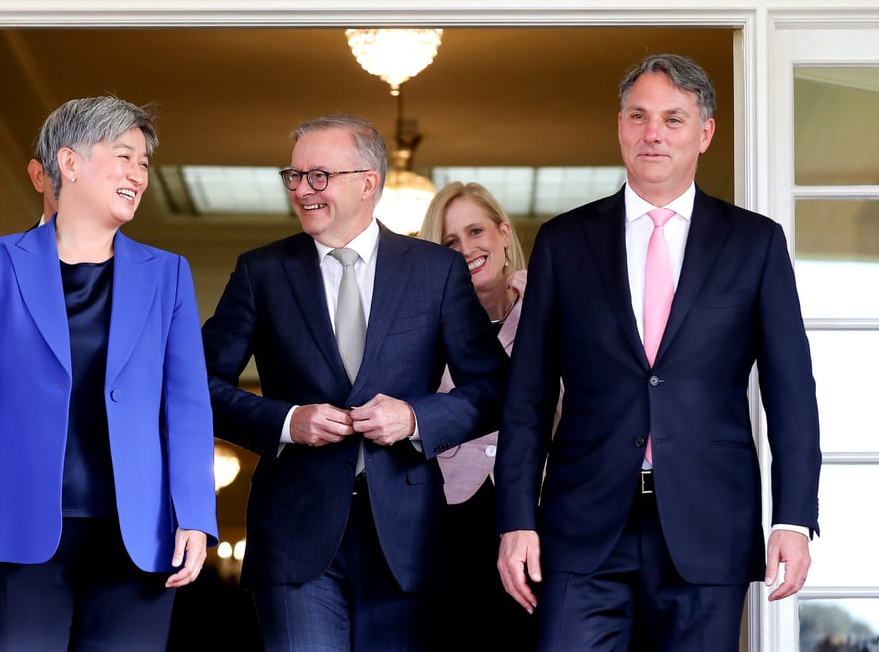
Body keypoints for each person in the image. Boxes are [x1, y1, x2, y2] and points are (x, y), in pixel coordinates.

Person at [495, 53, 822, 651]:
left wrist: (794, 517)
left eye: (673, 119)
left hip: (709, 523)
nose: (653, 133)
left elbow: (791, 392)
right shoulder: (565, 242)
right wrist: (517, 519)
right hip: (581, 523)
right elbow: (528, 395)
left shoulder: (755, 243)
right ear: (620, 126)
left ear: (705, 133)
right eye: (638, 116)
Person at [0, 95, 218, 652]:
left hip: (138, 535)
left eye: (144, 163)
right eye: (124, 156)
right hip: (15, 527)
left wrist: (195, 515)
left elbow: (189, 408)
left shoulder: (168, 275)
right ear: (69, 163)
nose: (138, 174)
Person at [202, 113, 507, 651]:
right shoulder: (261, 271)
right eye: (293, 176)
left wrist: (415, 418)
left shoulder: (436, 270)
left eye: (319, 175)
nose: (302, 189)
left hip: (407, 535)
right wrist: (287, 422)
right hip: (294, 533)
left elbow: (491, 389)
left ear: (368, 183)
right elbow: (199, 385)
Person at [418, 181, 538, 649]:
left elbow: (577, 405)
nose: (466, 248)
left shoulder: (550, 308)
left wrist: (547, 309)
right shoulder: (425, 320)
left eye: (475, 231)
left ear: (503, 233)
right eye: (450, 242)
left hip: (534, 511)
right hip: (452, 512)